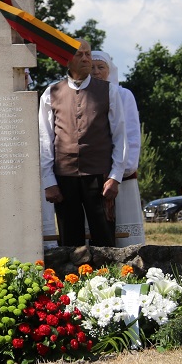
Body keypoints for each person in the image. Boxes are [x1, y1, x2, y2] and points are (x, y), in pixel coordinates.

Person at [39, 39, 126, 247]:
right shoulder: (51, 93)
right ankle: (71, 278)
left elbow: (120, 136)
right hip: (64, 177)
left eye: (87, 53)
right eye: (80, 54)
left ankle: (106, 279)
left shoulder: (108, 91)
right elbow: (45, 139)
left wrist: (115, 176)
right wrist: (48, 180)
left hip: (100, 176)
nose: (87, 58)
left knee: (104, 237)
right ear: (66, 59)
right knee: (70, 241)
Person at [91, 51, 145, 246]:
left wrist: (125, 169)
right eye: (91, 68)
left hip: (122, 174)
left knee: (126, 234)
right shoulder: (83, 95)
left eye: (101, 67)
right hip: (92, 172)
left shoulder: (123, 95)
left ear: (109, 70)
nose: (96, 72)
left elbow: (131, 133)